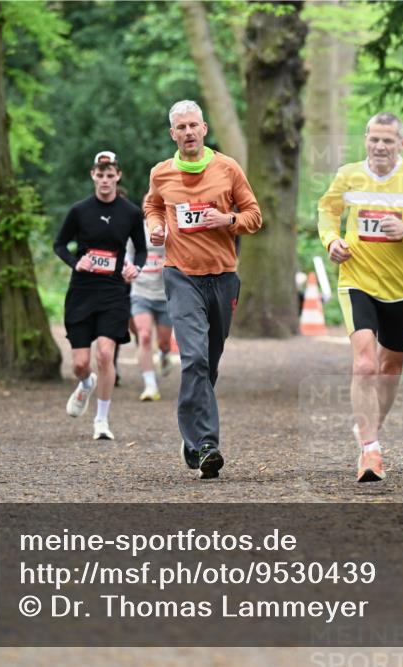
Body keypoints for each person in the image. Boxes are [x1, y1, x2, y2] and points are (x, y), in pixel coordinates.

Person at [318, 112, 403, 482]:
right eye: (374, 139)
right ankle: (370, 451)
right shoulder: (347, 175)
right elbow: (327, 213)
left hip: (401, 289)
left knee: (390, 368)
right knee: (365, 364)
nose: (380, 146)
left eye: (388, 141)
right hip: (357, 280)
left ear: (401, 144)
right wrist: (332, 241)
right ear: (365, 139)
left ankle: (368, 430)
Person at [144, 100, 262, 479]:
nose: (188, 132)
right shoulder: (161, 173)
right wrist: (156, 227)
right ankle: (206, 443)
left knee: (208, 364)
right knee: (193, 358)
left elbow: (254, 217)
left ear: (205, 128)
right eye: (181, 127)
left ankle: (192, 433)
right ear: (172, 133)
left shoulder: (227, 168)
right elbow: (153, 205)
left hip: (223, 276)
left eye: (194, 125)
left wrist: (226, 219)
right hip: (181, 276)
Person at [54, 151, 147, 440]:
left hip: (113, 292)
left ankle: (101, 421)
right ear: (92, 176)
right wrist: (75, 261)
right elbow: (59, 244)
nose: (105, 180)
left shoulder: (131, 212)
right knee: (81, 364)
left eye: (110, 175)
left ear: (118, 176)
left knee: (105, 355)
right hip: (82, 292)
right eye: (100, 175)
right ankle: (85, 383)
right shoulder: (80, 211)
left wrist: (137, 267)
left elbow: (141, 249)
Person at [125, 218, 176, 402]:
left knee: (163, 342)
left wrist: (170, 263)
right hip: (141, 292)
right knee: (144, 336)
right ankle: (150, 385)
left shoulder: (172, 227)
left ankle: (164, 353)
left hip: (164, 295)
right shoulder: (137, 228)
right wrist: (129, 267)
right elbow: (128, 254)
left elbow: (182, 253)